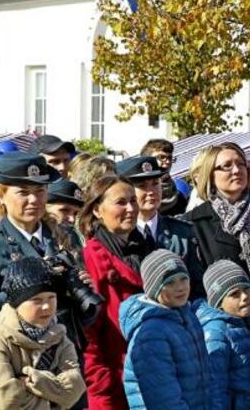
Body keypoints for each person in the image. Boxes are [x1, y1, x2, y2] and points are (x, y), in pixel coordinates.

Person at [0, 151, 92, 353]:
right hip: (20, 365)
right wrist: (26, 284)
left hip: (67, 359)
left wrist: (82, 288)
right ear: (0, 195)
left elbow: (83, 315)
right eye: (23, 192)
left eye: (40, 191)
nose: (33, 200)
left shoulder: (63, 237)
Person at [79, 175, 147, 410]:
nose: (130, 209)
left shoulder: (149, 249)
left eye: (133, 201)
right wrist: (102, 392)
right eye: (120, 202)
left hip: (154, 376)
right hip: (116, 382)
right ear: (97, 210)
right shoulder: (91, 258)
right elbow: (90, 338)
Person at [0, 257, 86, 410]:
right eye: (36, 300)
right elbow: (5, 399)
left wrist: (34, 380)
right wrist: (52, 400)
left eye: (52, 298)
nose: (46, 306)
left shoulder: (60, 336)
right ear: (17, 304)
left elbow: (74, 389)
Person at [120, 249, 209, 410]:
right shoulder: (151, 334)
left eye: (183, 279)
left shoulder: (187, 316)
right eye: (169, 282)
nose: (180, 287)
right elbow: (164, 400)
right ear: (154, 288)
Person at [117, 156, 205, 298]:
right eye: (142, 186)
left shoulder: (182, 232)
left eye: (155, 183)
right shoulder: (117, 236)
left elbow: (197, 286)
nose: (151, 191)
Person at [192, 260, 250, 409]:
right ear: (218, 302)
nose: (245, 296)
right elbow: (215, 388)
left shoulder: (241, 320)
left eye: (247, 289)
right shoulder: (216, 333)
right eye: (234, 294)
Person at [184, 142, 250, 272]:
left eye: (240, 164)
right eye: (227, 166)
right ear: (210, 175)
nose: (236, 170)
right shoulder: (192, 223)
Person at [140, 139, 188, 216]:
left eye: (170, 158)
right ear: (146, 161)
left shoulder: (179, 198)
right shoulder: (132, 196)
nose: (168, 162)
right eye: (161, 157)